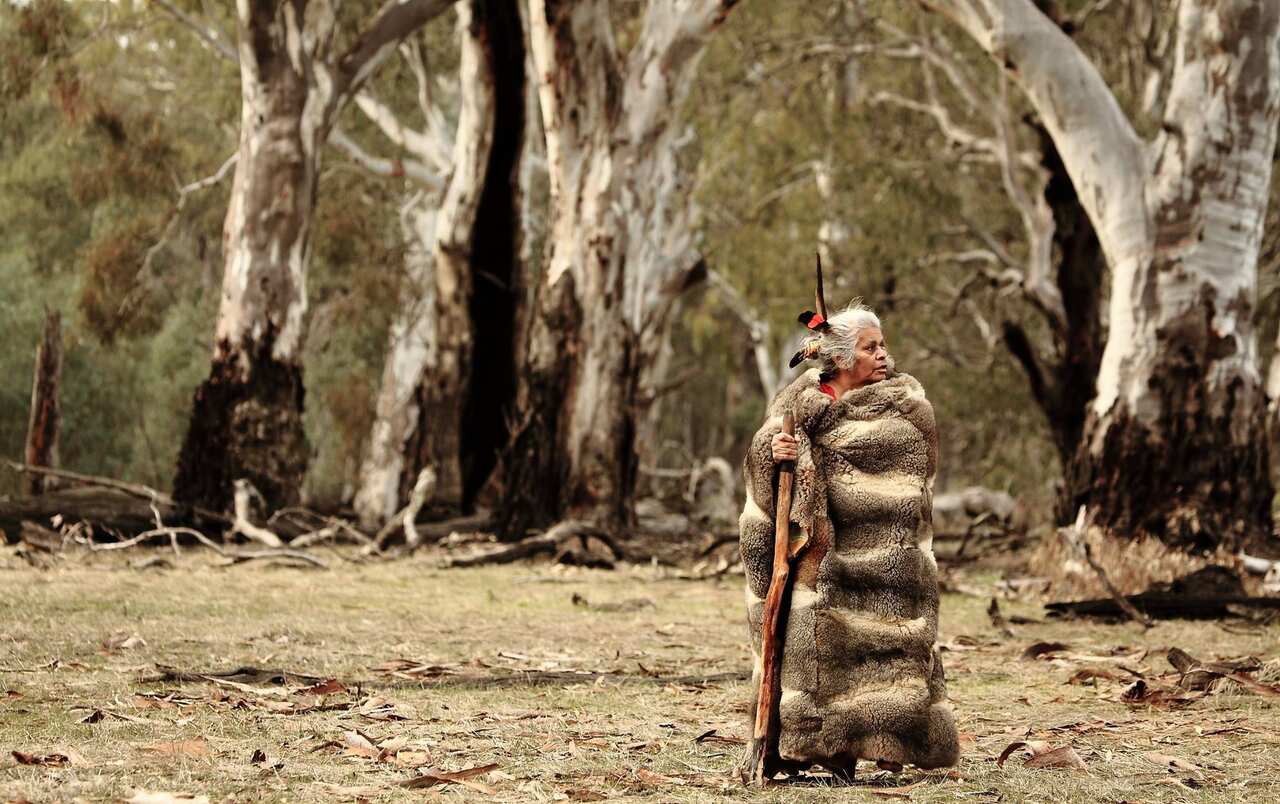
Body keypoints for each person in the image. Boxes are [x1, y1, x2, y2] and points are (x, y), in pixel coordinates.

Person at [738, 300, 959, 780]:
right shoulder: (797, 405)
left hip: (887, 561)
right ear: (839, 357)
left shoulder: (906, 406)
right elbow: (764, 481)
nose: (883, 355)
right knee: (816, 652)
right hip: (819, 560)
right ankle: (816, 748)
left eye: (883, 345)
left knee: (888, 654)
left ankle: (887, 743)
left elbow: (914, 475)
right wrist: (777, 454)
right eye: (870, 347)